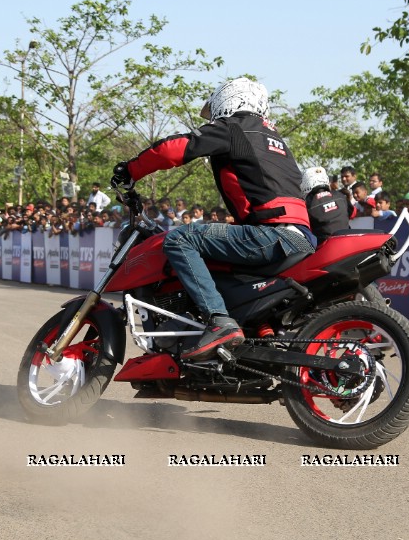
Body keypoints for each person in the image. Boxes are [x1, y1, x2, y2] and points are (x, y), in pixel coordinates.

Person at [111, 77, 314, 362]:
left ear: (228, 100)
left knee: (181, 238)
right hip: (297, 235)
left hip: (273, 234)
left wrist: (130, 170)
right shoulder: (274, 139)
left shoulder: (235, 127)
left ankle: (219, 322)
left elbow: (176, 149)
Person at [301, 165, 351, 243]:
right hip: (347, 241)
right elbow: (352, 213)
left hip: (325, 247)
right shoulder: (340, 195)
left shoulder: (307, 204)